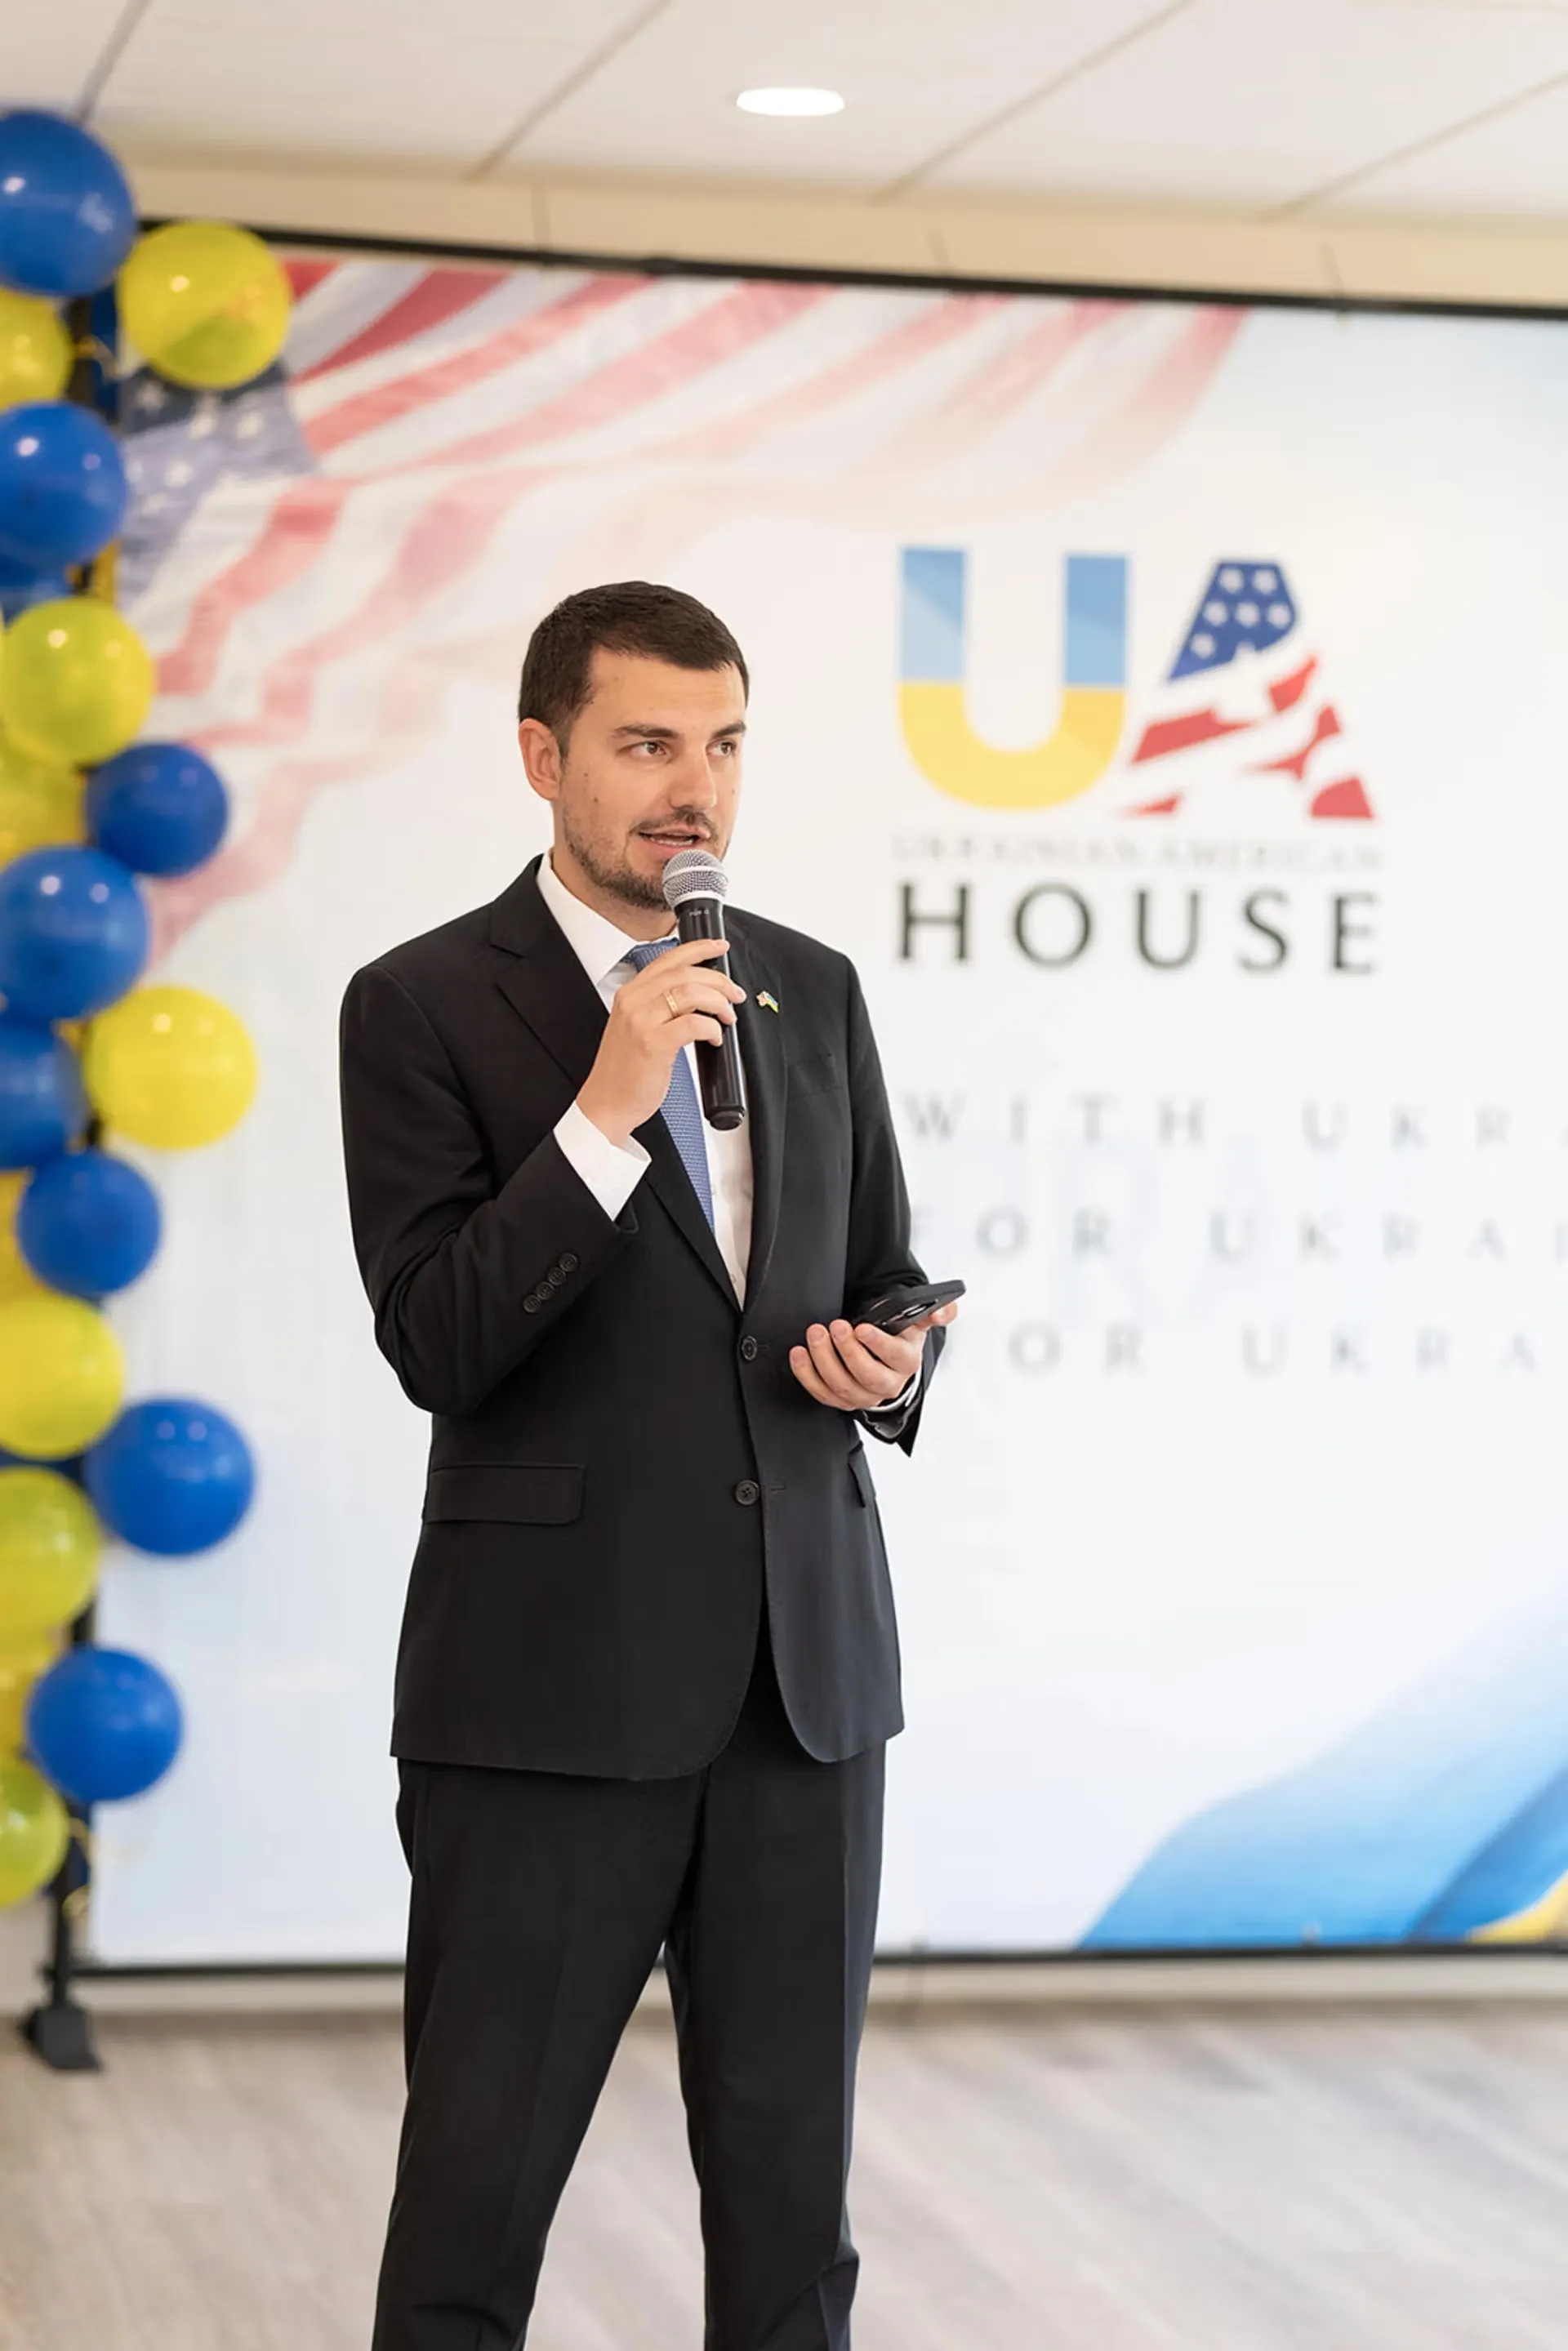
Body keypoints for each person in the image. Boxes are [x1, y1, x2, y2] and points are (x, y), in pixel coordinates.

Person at [339, 580, 956, 2351]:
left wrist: (893, 1358)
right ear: (544, 757)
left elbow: (882, 1269)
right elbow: (439, 1339)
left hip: (802, 1695)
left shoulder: (810, 988)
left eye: (727, 743)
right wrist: (603, 1114)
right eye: (649, 743)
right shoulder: (421, 1003)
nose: (698, 788)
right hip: (547, 1700)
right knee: (472, 2214)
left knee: (792, 2231)